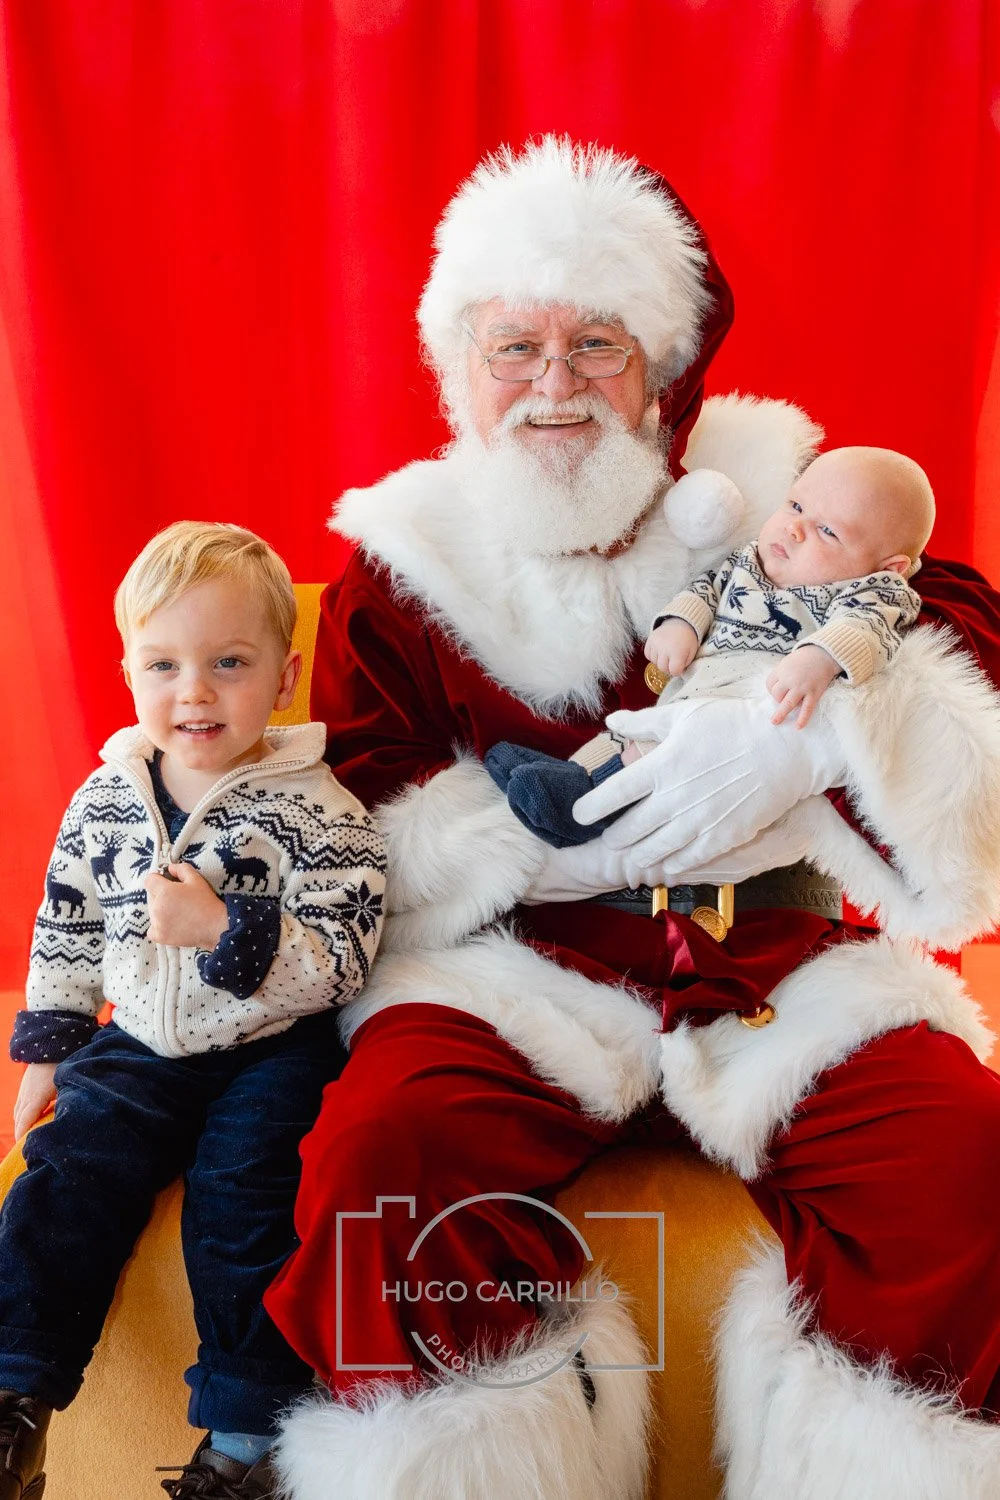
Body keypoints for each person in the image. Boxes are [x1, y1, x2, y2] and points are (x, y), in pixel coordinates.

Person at [266, 138, 1000, 1499]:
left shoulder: (782, 486)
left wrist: (805, 750)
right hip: (516, 970)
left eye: (596, 343)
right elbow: (352, 809)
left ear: (661, 369)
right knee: (386, 1157)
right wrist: (525, 838)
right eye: (515, 347)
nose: (553, 385)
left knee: (969, 1160)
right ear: (457, 367)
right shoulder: (404, 555)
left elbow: (950, 607)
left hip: (780, 967)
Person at [0, 523, 386, 1500]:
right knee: (66, 1175)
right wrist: (51, 1042)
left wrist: (227, 927)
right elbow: (69, 919)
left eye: (228, 663)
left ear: (285, 677)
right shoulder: (106, 799)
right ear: (127, 669)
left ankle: (247, 1446)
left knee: (247, 1203)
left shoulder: (322, 813)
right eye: (164, 664)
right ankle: (14, 1399)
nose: (195, 692)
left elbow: (343, 960)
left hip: (274, 1050)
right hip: (138, 1039)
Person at [487, 444, 935, 847]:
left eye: (828, 532)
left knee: (658, 755)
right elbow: (707, 588)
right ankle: (567, 780)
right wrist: (680, 623)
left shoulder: (875, 590)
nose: (794, 529)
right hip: (690, 690)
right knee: (625, 735)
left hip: (742, 712)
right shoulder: (749, 560)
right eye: (795, 505)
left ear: (889, 567)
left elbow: (867, 628)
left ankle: (578, 813)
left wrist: (817, 658)